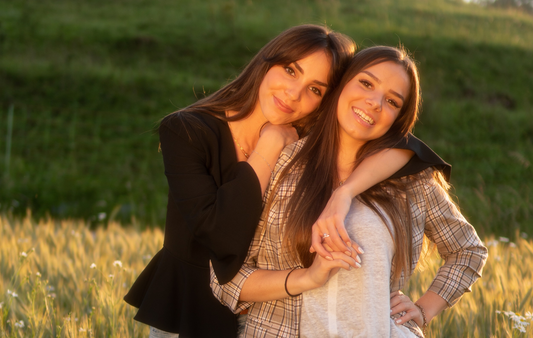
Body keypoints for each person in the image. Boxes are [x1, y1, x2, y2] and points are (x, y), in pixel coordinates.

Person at [124, 24, 446, 337]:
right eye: (291, 71)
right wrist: (271, 141)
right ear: (267, 62)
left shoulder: (304, 145)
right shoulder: (186, 132)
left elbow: (407, 146)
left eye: (315, 89)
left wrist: (345, 193)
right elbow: (220, 236)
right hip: (189, 310)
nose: (294, 94)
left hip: (266, 313)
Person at [211, 46, 487, 338]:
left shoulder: (410, 182)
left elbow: (467, 250)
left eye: (392, 101)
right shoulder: (282, 164)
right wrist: (306, 278)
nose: (375, 103)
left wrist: (422, 310)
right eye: (366, 83)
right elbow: (225, 277)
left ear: (399, 118)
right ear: (340, 85)